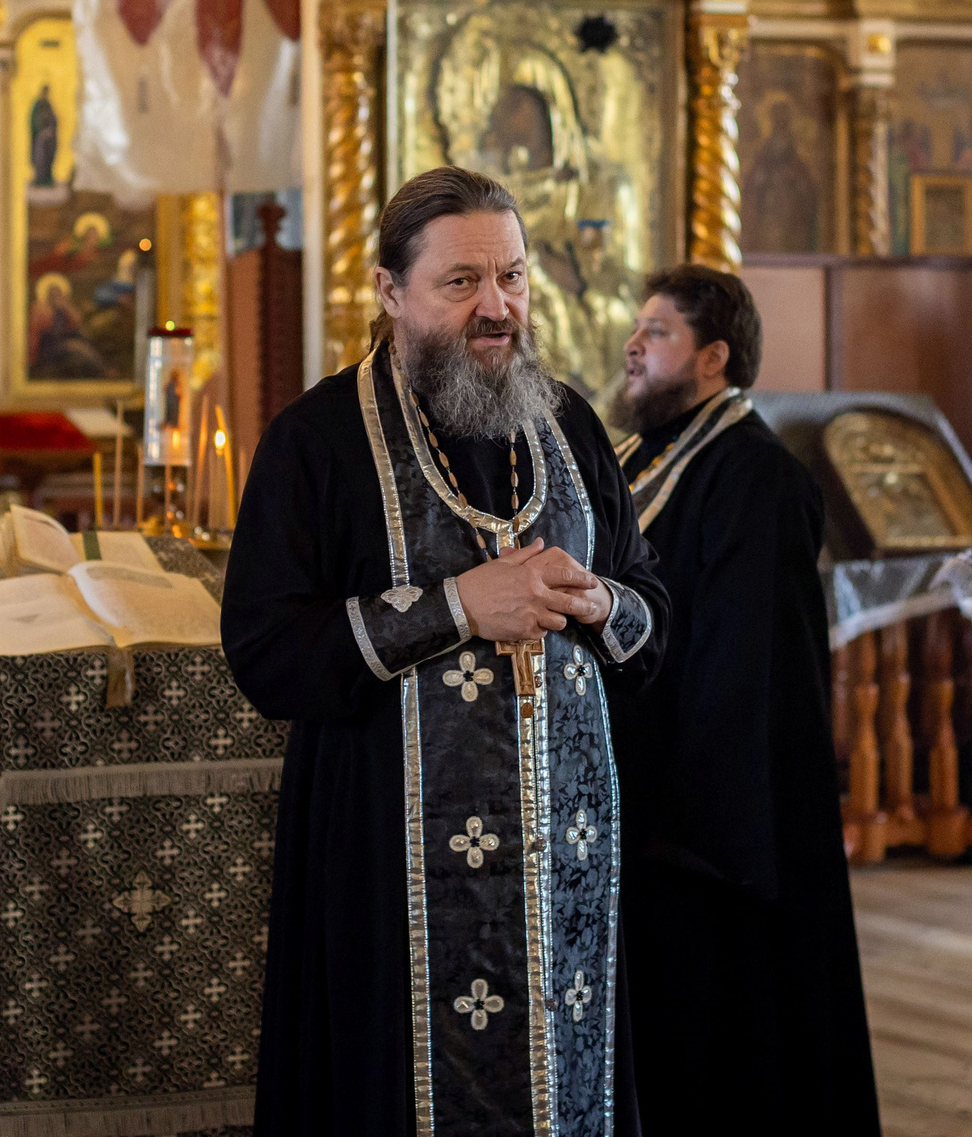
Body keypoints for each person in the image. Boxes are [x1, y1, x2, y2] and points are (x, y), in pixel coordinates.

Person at [223, 166, 669, 1136]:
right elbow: (264, 651)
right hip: (389, 869)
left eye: (511, 277)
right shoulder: (318, 440)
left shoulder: (568, 423)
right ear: (390, 292)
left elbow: (652, 609)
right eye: (460, 282)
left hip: (564, 872)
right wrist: (457, 606)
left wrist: (598, 601)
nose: (495, 307)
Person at [606, 265, 881, 1137]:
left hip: (708, 828)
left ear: (714, 356)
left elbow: (743, 676)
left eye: (657, 332)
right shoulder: (641, 459)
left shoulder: (754, 476)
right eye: (637, 329)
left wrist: (682, 821)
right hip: (649, 800)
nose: (633, 345)